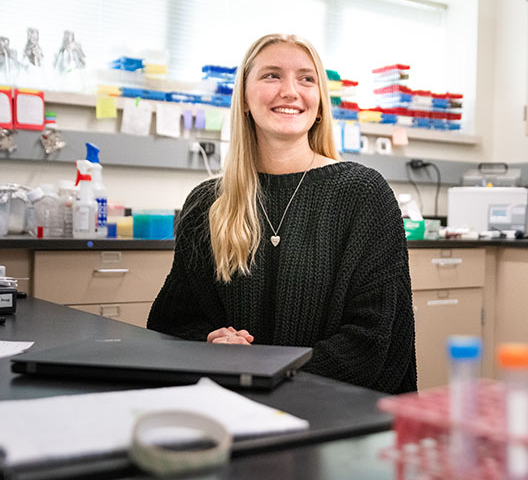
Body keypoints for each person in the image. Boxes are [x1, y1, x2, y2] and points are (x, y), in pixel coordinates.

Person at [147, 33, 416, 394]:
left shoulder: (363, 194)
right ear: (244, 98)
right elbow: (172, 325)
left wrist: (266, 367)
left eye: (307, 79)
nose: (290, 91)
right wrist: (212, 346)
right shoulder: (208, 203)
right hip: (232, 404)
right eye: (271, 75)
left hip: (337, 411)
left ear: (320, 103)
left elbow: (375, 341)